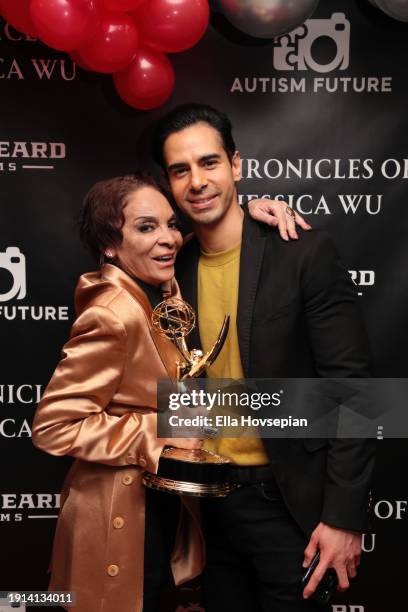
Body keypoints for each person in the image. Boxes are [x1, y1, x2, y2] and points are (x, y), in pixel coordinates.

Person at [31, 172, 303, 612]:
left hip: (152, 509)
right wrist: (160, 431)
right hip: (115, 517)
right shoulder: (113, 313)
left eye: (171, 224)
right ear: (109, 245)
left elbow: (208, 236)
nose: (169, 239)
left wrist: (250, 211)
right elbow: (54, 426)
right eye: (145, 227)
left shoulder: (157, 292)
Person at [151, 103, 376, 612]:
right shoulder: (167, 272)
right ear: (168, 183)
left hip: (291, 509)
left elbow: (357, 393)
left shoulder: (302, 252)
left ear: (236, 165)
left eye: (209, 163)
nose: (197, 182)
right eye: (180, 170)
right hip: (208, 509)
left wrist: (343, 518)